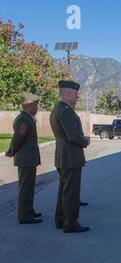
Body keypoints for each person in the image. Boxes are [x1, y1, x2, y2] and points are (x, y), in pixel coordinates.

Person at [50, 80, 91, 233]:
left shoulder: (58, 109)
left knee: (64, 190)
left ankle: (60, 219)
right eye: (75, 93)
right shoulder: (65, 110)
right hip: (70, 157)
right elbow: (72, 136)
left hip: (63, 156)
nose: (77, 96)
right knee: (71, 192)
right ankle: (70, 223)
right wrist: (85, 140)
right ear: (67, 93)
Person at [5, 93, 42, 224]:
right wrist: (11, 151)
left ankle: (29, 211)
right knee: (25, 187)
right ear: (29, 105)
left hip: (29, 158)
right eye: (36, 105)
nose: (38, 107)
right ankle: (24, 216)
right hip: (25, 159)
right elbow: (18, 138)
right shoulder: (23, 119)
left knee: (30, 186)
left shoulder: (28, 118)